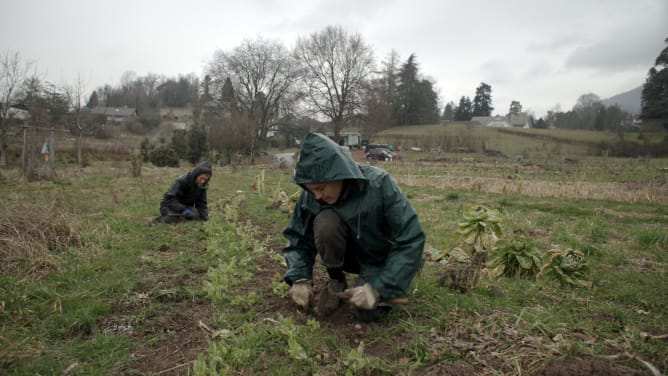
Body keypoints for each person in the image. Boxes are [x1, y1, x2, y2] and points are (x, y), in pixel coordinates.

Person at [282, 132, 425, 321]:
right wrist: (299, 278)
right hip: (347, 256)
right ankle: (336, 280)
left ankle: (369, 281)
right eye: (311, 189)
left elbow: (411, 239)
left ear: (339, 175)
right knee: (326, 221)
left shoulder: (379, 184)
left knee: (365, 312)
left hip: (379, 258)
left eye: (321, 188)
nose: (316, 196)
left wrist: (379, 288)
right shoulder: (311, 196)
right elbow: (298, 237)